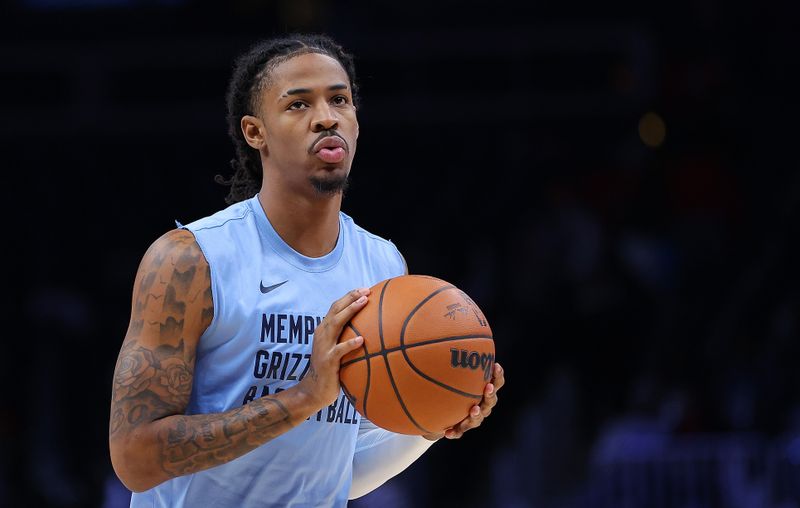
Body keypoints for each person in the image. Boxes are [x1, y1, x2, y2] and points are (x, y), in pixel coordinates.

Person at [108, 33, 505, 507]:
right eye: (298, 104)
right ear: (256, 133)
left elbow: (338, 473)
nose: (326, 116)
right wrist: (302, 398)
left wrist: (434, 419)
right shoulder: (191, 260)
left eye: (340, 99)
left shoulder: (383, 266)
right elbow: (135, 460)